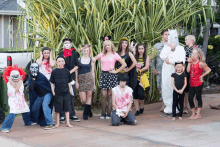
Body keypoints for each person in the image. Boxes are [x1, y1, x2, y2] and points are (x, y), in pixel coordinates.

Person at [92, 37, 126, 119]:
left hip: (111, 75)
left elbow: (124, 64)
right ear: (104, 47)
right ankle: (103, 113)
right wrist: (92, 59)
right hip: (104, 75)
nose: (107, 47)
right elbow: (94, 58)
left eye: (108, 45)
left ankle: (109, 113)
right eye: (106, 45)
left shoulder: (115, 54)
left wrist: (116, 71)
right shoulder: (102, 54)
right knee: (103, 95)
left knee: (110, 95)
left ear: (111, 46)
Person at [1, 65, 35, 133]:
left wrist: (19, 82)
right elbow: (15, 90)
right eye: (13, 77)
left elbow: (20, 90)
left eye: (17, 76)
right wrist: (13, 83)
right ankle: (4, 127)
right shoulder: (9, 84)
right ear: (10, 78)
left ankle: (27, 122)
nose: (16, 78)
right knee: (13, 113)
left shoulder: (20, 82)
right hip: (13, 101)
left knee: (26, 110)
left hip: (21, 100)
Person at [160, 29, 185, 118]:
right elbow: (162, 56)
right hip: (166, 70)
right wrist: (169, 48)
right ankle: (168, 108)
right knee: (166, 87)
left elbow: (182, 60)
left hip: (175, 71)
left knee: (174, 88)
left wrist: (170, 61)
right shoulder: (166, 47)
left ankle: (176, 109)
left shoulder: (180, 48)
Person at [58, 38, 80, 122]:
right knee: (63, 96)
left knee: (71, 96)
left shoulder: (74, 53)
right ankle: (62, 115)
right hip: (62, 78)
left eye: (69, 43)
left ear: (71, 44)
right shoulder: (60, 54)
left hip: (72, 77)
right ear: (63, 44)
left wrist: (70, 73)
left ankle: (72, 114)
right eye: (65, 43)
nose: (67, 44)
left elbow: (77, 66)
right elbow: (59, 64)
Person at [28, 63, 55, 129]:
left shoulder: (41, 76)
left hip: (47, 93)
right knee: (34, 108)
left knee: (45, 106)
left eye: (35, 68)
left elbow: (46, 86)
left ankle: (50, 123)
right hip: (40, 95)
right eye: (32, 68)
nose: (34, 70)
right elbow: (31, 88)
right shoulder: (30, 78)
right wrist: (33, 80)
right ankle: (36, 119)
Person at [187, 48, 211, 119]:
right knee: (190, 98)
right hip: (191, 83)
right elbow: (188, 71)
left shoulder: (200, 63)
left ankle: (198, 114)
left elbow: (208, 69)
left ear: (198, 55)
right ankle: (193, 113)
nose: (193, 55)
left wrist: (202, 76)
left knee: (198, 98)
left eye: (195, 54)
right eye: (193, 53)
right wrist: (188, 63)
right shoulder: (191, 62)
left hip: (198, 83)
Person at [50, 56, 73, 128]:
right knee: (58, 108)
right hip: (58, 92)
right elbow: (52, 83)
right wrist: (53, 92)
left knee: (67, 108)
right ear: (56, 63)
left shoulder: (67, 71)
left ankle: (68, 123)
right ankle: (57, 123)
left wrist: (69, 91)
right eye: (59, 61)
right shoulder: (54, 72)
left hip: (66, 92)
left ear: (64, 62)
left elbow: (69, 82)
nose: (61, 62)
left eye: (62, 61)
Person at [150, 29, 169, 112]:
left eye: (169, 34)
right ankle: (164, 103)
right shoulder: (157, 46)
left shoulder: (172, 45)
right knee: (160, 86)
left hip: (169, 70)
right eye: (166, 34)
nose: (167, 36)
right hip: (160, 70)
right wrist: (153, 68)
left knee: (168, 86)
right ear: (161, 35)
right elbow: (151, 58)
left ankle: (166, 105)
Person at [75, 44, 95, 120]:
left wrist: (94, 83)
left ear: (89, 51)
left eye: (87, 50)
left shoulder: (91, 60)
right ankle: (89, 111)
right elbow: (76, 71)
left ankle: (85, 113)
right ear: (82, 51)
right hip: (81, 79)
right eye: (84, 50)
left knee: (89, 96)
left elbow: (92, 72)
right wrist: (76, 81)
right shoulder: (78, 60)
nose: (86, 52)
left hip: (89, 79)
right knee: (83, 99)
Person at [133, 43, 150, 116]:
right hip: (134, 77)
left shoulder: (146, 57)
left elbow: (147, 66)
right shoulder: (134, 56)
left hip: (142, 78)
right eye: (139, 49)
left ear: (144, 49)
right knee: (135, 94)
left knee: (141, 94)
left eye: (142, 49)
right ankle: (137, 109)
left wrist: (139, 70)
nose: (140, 50)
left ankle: (142, 107)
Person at [183, 35, 197, 114]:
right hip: (184, 70)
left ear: (191, 40)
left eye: (186, 39)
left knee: (194, 89)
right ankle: (185, 106)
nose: (185, 41)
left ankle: (195, 106)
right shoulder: (183, 48)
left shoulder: (196, 48)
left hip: (193, 70)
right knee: (185, 89)